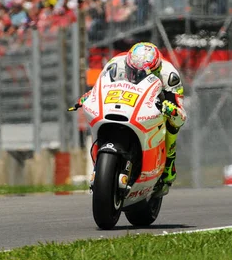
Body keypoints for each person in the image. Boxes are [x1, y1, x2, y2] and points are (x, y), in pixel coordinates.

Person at [77, 42, 187, 185]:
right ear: (128, 64)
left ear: (157, 68)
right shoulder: (116, 64)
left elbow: (180, 116)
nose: (138, 75)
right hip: (124, 101)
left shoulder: (169, 75)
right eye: (134, 71)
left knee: (172, 123)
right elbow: (102, 86)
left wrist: (171, 108)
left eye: (147, 72)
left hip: (155, 101)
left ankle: (169, 163)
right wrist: (91, 95)